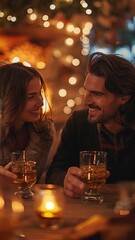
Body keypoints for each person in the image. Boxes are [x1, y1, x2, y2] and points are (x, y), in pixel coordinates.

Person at [46, 52, 135, 198]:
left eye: (97, 94)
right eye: (86, 91)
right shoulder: (78, 122)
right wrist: (65, 180)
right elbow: (54, 173)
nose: (86, 101)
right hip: (88, 214)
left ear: (123, 98)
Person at [0, 62, 56, 183]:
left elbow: (27, 183)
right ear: (9, 100)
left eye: (40, 93)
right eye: (31, 97)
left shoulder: (44, 131)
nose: (41, 102)